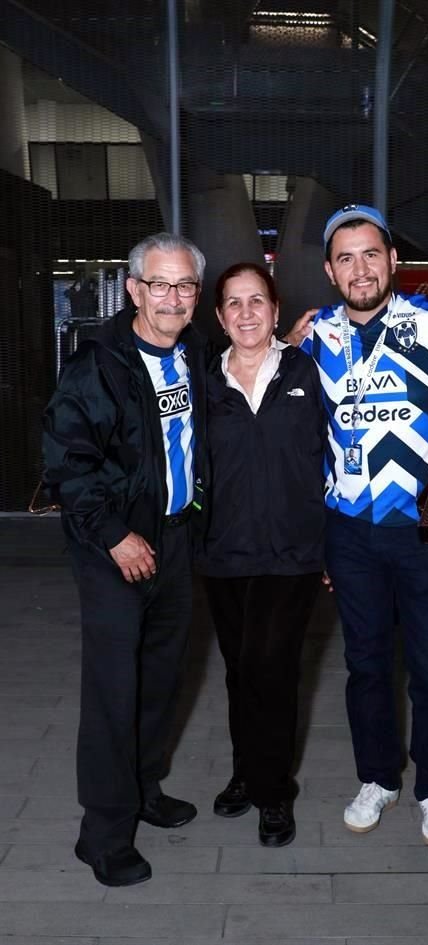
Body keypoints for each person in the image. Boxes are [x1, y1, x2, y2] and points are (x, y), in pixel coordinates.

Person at [287, 204, 428, 846]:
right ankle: (378, 776)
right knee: (364, 664)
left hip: (422, 525)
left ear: (392, 260)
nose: (359, 268)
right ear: (331, 272)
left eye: (370, 254)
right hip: (349, 529)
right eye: (344, 258)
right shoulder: (315, 337)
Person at [42, 232, 209, 887]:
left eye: (185, 286)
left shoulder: (195, 352)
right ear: (135, 289)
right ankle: (103, 835)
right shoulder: (97, 366)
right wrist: (114, 534)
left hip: (174, 542)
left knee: (161, 679)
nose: (172, 298)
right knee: (114, 689)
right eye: (159, 285)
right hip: (114, 546)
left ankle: (145, 789)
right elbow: (67, 464)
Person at [196, 263, 326, 848]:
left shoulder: (309, 369)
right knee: (240, 670)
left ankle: (274, 793)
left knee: (271, 669)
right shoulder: (201, 380)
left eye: (257, 301)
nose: (246, 313)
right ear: (220, 316)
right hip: (224, 554)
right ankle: (246, 771)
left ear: (276, 309)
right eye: (234, 303)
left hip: (293, 553)